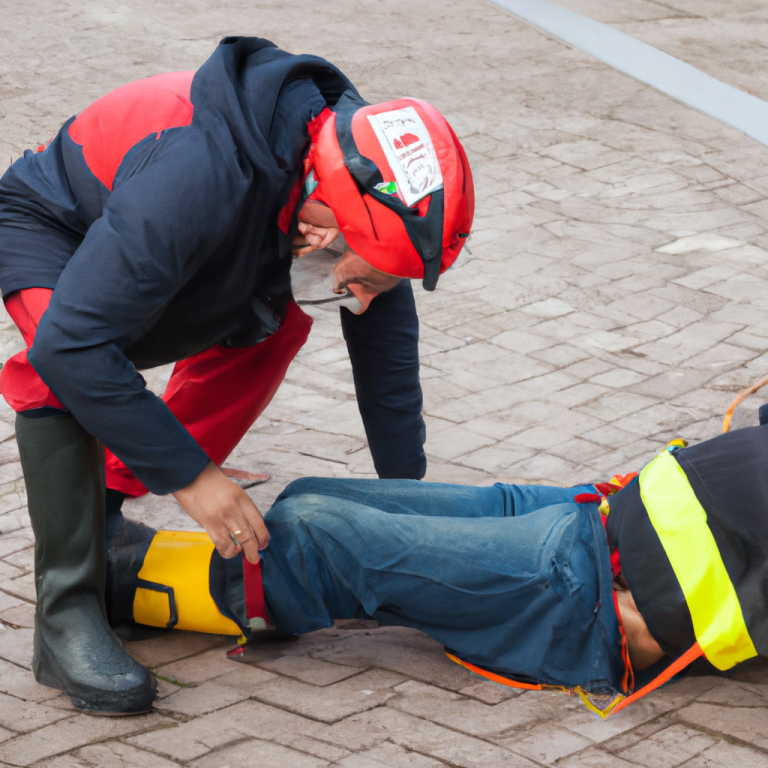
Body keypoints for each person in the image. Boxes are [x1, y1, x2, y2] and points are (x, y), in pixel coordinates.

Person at [0, 36, 474, 714]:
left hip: (186, 239)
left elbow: (387, 359)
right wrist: (195, 481)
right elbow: (74, 344)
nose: (364, 300)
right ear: (321, 224)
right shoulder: (197, 176)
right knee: (62, 366)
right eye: (366, 280)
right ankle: (65, 617)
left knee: (282, 321)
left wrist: (407, 502)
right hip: (58, 224)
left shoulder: (363, 176)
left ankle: (103, 511)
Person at [107, 424, 768, 719]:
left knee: (312, 535)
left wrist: (664, 627)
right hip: (600, 511)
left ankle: (121, 584)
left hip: (595, 593)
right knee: (311, 493)